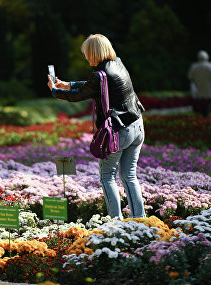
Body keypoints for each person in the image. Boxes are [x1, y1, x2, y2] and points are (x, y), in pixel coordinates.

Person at [47, 34, 146, 220]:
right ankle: (140, 221)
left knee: (107, 177)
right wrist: (67, 85)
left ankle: (115, 225)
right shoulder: (118, 63)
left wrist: (54, 90)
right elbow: (94, 87)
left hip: (119, 131)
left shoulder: (99, 75)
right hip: (137, 126)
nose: (85, 57)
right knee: (129, 176)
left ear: (93, 53)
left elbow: (79, 96)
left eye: (86, 53)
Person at [188, 50, 211, 117]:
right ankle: (206, 114)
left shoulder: (194, 66)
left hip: (198, 86)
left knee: (201, 101)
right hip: (208, 87)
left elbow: (190, 77)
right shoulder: (210, 66)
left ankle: (202, 114)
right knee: (207, 101)